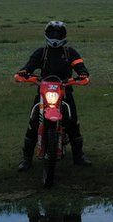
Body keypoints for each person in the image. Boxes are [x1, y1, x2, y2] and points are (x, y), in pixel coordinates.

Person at [16, 21, 91, 171]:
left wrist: (82, 74)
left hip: (65, 92)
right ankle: (26, 159)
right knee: (33, 122)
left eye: (58, 33)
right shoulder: (41, 53)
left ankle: (79, 156)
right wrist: (24, 72)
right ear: (47, 34)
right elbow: (28, 66)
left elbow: (81, 68)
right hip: (43, 93)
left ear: (64, 35)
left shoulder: (70, 53)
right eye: (52, 33)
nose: (55, 36)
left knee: (73, 122)